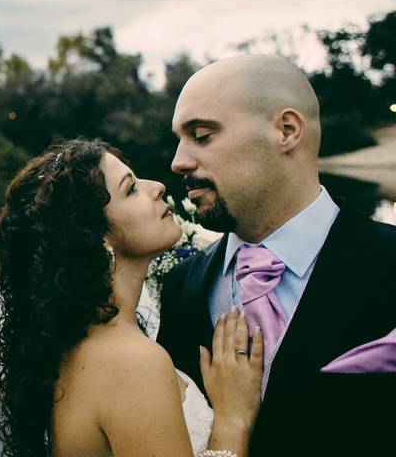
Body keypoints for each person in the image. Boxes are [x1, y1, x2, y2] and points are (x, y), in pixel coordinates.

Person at [158, 54, 396, 455]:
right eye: (179, 140)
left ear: (286, 130)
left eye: (201, 136)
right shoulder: (183, 286)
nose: (179, 161)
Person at [0, 137, 263, 457]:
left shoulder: (82, 343)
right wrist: (233, 419)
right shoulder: (131, 362)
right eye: (130, 189)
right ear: (94, 236)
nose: (158, 186)